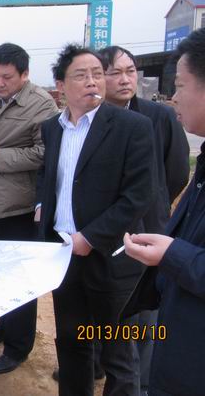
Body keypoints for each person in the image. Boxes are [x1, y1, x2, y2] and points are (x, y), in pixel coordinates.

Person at [36, 44, 155, 396]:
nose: (92, 81)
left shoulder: (132, 126)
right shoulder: (52, 128)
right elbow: (49, 175)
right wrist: (43, 205)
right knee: (72, 344)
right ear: (60, 86)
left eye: (97, 74)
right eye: (81, 75)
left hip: (111, 259)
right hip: (64, 256)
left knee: (118, 355)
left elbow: (138, 196)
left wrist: (90, 237)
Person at [0, 42, 58, 374]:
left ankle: (18, 347)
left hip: (21, 205)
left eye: (6, 77)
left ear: (25, 74)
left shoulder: (41, 104)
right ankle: (4, 326)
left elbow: (46, 152)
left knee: (20, 279)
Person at [100, 45, 189, 394]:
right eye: (116, 73)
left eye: (130, 71)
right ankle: (100, 366)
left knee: (144, 314)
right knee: (108, 309)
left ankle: (144, 384)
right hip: (105, 233)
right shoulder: (93, 119)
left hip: (149, 231)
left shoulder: (158, 117)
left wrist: (153, 205)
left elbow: (177, 171)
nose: (125, 80)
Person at [121, 27, 205, 396]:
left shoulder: (155, 118)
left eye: (181, 85)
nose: (174, 96)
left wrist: (172, 252)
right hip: (180, 333)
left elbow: (172, 176)